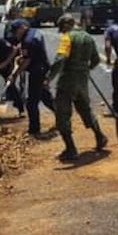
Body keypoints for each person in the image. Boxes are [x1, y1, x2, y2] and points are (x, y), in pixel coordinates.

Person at [47, 14, 109, 161]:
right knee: (85, 109)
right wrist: (85, 69)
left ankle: (70, 149)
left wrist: (48, 78)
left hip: (67, 81)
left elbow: (60, 58)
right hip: (82, 80)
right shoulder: (88, 37)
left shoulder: (67, 37)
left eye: (62, 29)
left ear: (66, 25)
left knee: (62, 114)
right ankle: (100, 136)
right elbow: (96, 60)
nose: (62, 32)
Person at [6, 19, 55, 138]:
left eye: (16, 32)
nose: (16, 35)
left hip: (37, 71)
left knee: (31, 102)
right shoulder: (34, 31)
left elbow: (26, 62)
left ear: (21, 28)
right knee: (44, 96)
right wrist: (21, 56)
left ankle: (34, 130)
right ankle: (62, 117)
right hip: (43, 66)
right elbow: (27, 54)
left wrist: (14, 75)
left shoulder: (28, 41)